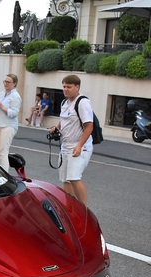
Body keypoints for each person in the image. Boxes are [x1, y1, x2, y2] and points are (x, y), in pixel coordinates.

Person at [49, 74, 94, 206]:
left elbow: (89, 126)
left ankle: (84, 209)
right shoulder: (65, 102)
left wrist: (80, 146)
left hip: (80, 146)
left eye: (69, 87)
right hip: (66, 146)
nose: (65, 89)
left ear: (77, 87)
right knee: (65, 179)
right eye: (64, 87)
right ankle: (70, 207)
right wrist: (56, 127)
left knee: (74, 178)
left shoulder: (83, 102)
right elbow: (64, 120)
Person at [0, 74, 21, 172]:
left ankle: (4, 174)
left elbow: (14, 113)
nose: (6, 84)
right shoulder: (1, 94)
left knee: (3, 151)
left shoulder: (16, 97)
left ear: (14, 83)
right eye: (5, 81)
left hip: (9, 125)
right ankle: (1, 169)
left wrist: (2, 106)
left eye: (8, 82)